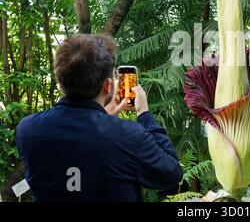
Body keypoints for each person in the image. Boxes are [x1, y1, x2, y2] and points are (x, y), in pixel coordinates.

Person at [16, 34, 183, 201]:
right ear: (107, 85)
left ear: (61, 81)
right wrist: (144, 113)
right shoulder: (128, 136)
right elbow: (171, 173)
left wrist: (103, 119)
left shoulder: (28, 130)